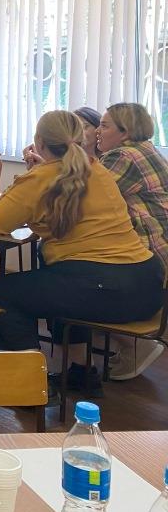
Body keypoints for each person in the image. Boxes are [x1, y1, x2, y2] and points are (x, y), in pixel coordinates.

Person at [0, 111, 162, 395]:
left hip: (107, 290)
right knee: (56, 279)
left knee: (4, 292)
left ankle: (29, 386)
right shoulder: (96, 168)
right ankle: (80, 374)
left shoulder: (40, 179)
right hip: (149, 286)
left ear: (39, 142)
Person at [95, 103, 168, 380]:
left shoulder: (123, 156)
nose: (97, 131)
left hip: (149, 253)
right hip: (159, 248)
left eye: (104, 126)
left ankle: (133, 344)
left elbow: (83, 196)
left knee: (71, 271)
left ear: (125, 132)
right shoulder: (146, 150)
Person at [23, 106, 100, 167]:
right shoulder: (62, 163)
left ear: (98, 129)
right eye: (72, 127)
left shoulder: (103, 165)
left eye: (85, 126)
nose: (78, 132)